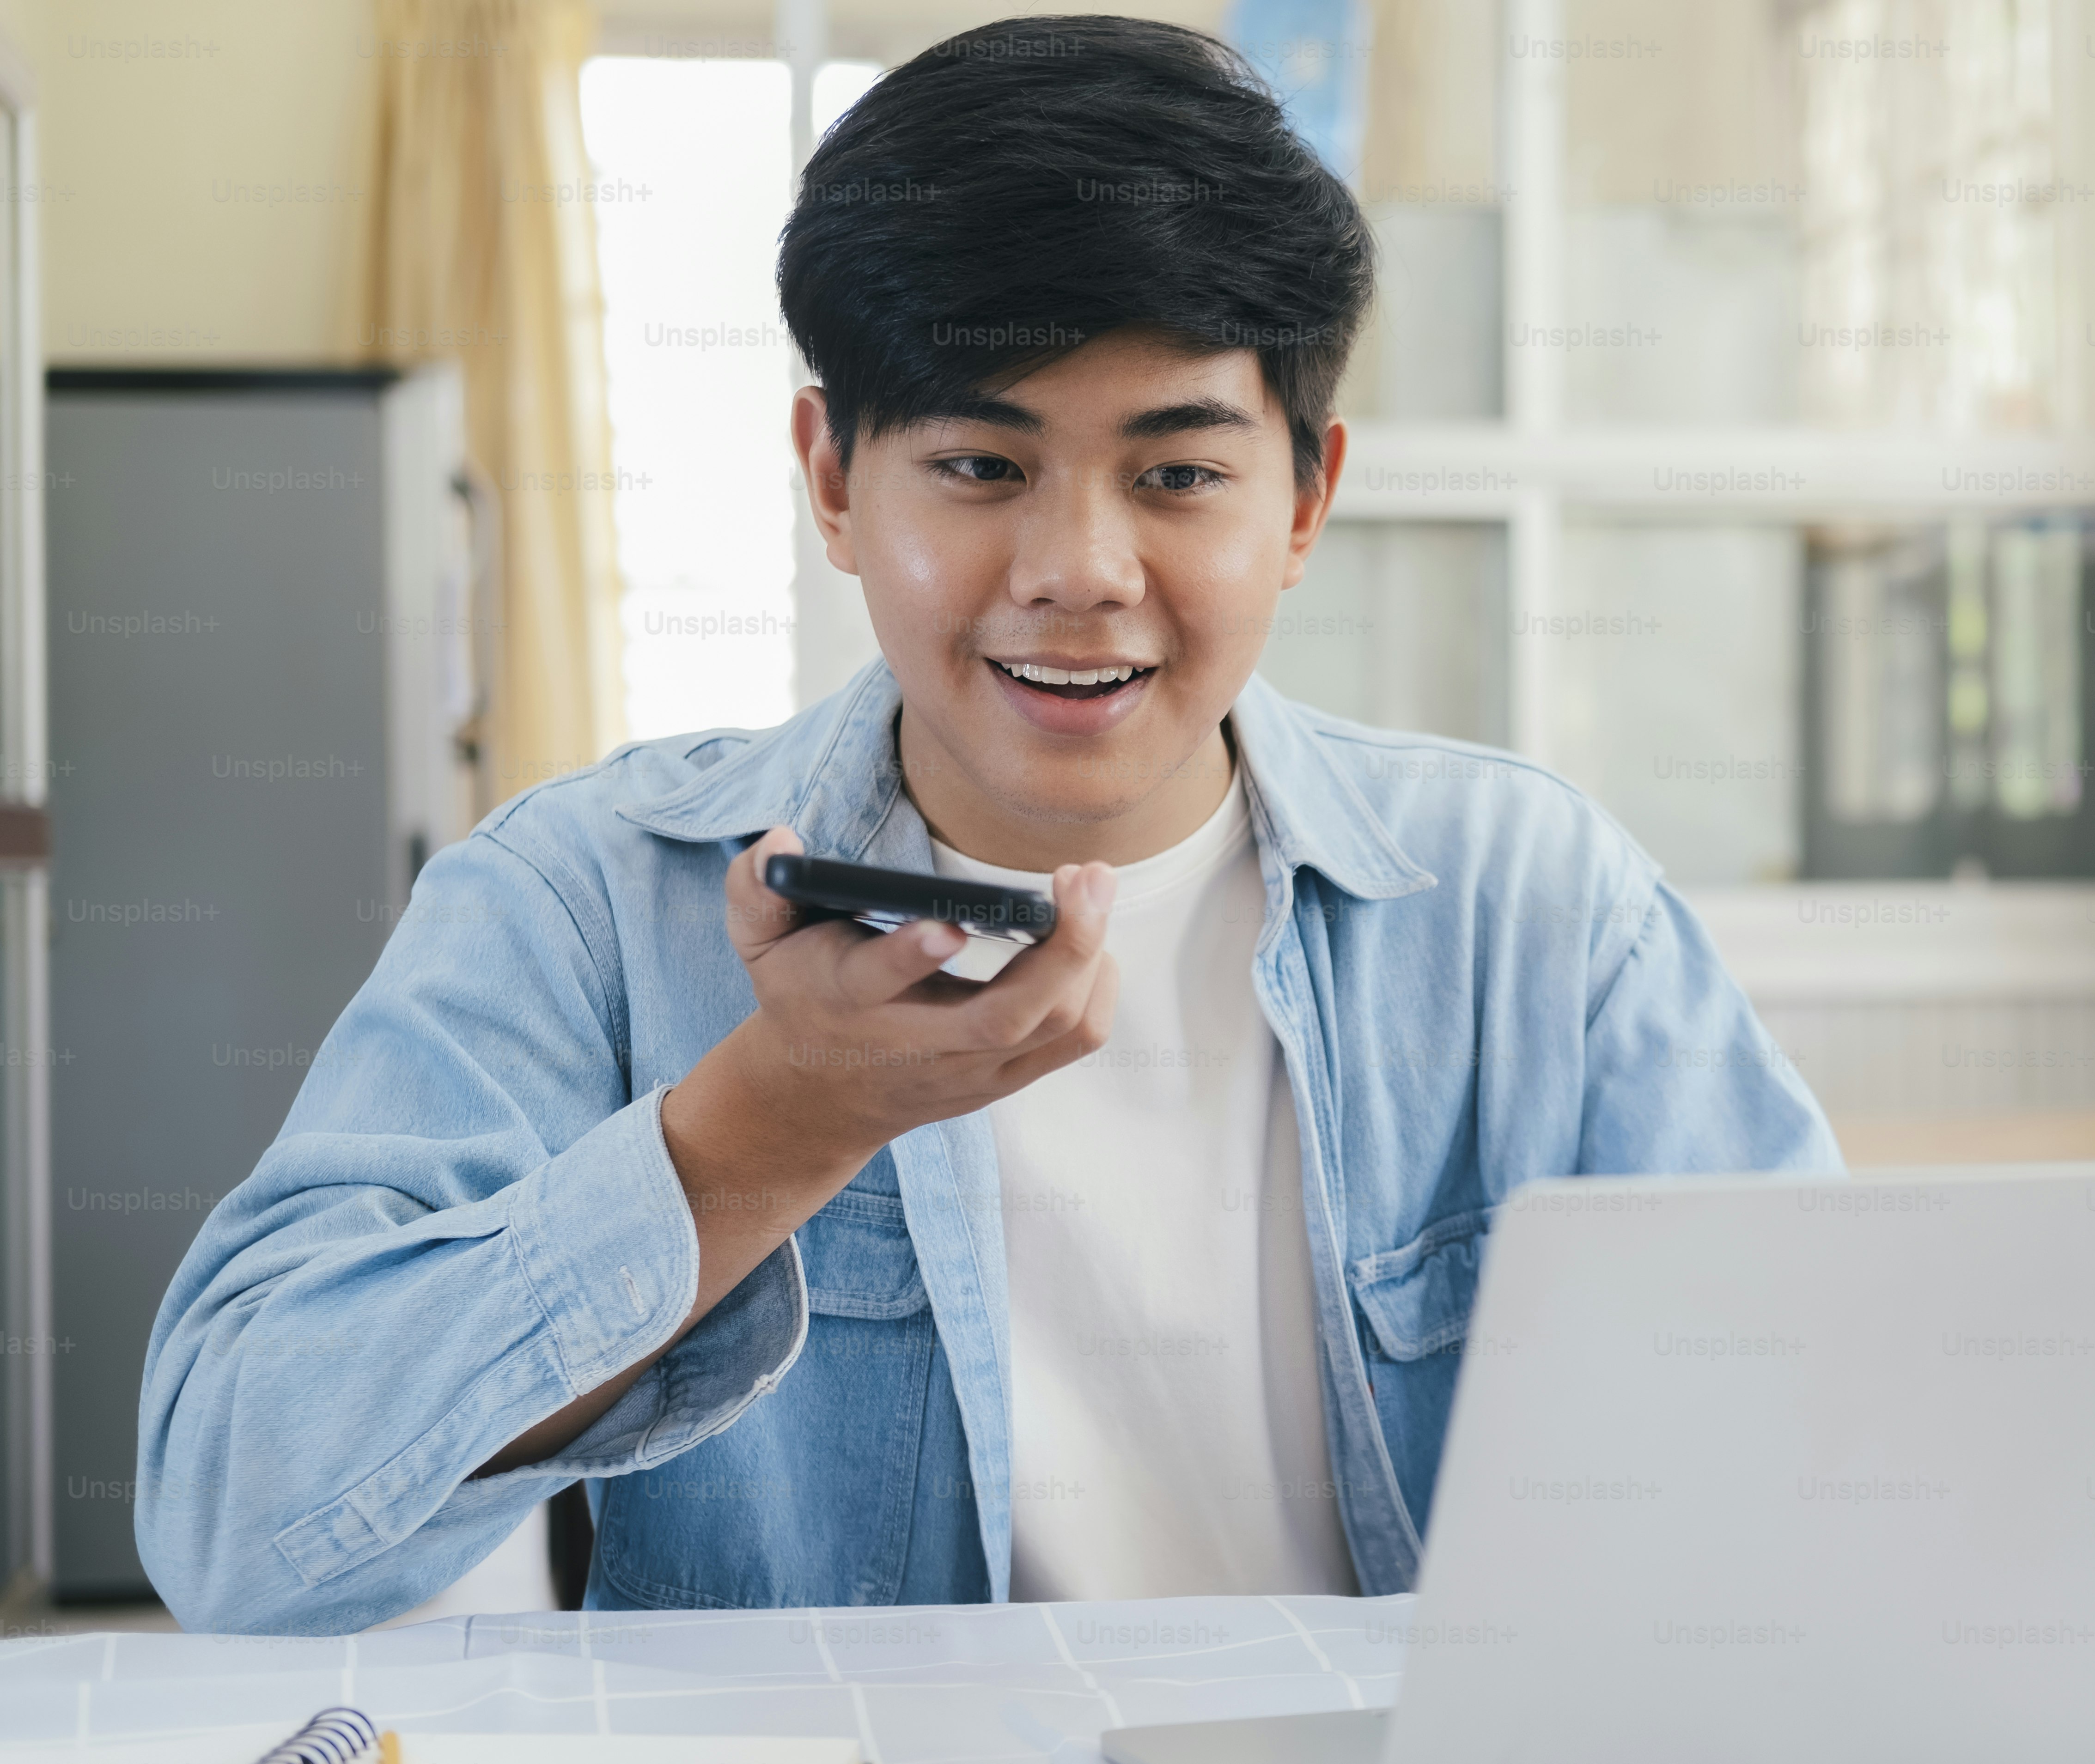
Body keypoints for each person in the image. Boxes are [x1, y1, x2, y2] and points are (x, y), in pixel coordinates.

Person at [137, 15, 1838, 1633]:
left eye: (1178, 474)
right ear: (832, 481)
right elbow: (235, 1521)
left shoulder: (1528, 906)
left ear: (1307, 497)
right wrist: (761, 1132)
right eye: (979, 467)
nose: (1080, 571)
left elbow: (1838, 1455)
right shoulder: (583, 902)